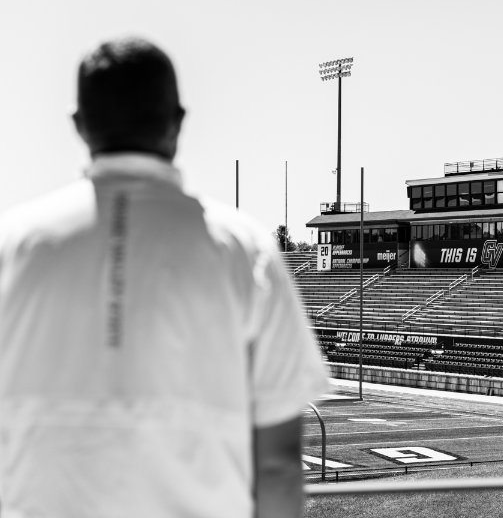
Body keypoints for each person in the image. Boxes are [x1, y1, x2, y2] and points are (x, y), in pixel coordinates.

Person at [0, 37, 329, 518]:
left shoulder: (12, 245)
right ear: (178, 120)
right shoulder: (245, 250)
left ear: (79, 124)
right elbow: (277, 464)